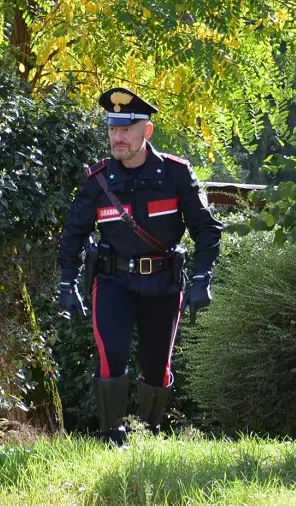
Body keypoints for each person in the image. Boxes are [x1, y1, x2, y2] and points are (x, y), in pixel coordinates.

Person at [56, 87, 223, 446]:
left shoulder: (177, 174)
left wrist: (201, 279)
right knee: (112, 352)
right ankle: (111, 436)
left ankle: (148, 433)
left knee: (156, 364)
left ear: (146, 131)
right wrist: (66, 285)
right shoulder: (97, 181)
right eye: (113, 129)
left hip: (163, 282)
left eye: (126, 129)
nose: (117, 137)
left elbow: (207, 230)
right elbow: (73, 235)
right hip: (113, 280)